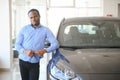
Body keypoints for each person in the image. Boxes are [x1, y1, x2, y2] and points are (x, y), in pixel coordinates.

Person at [15, 8, 59, 80]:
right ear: (29, 18)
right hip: (22, 61)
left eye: (35, 16)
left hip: (34, 62)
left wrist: (44, 51)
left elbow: (56, 44)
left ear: (39, 16)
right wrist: (25, 51)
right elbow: (17, 45)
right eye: (31, 17)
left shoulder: (45, 30)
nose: (33, 19)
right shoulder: (24, 29)